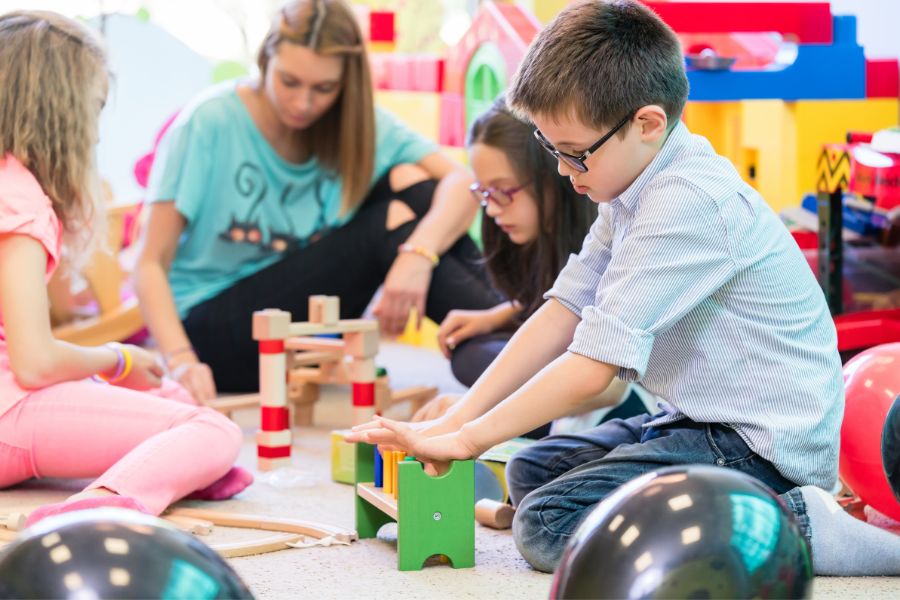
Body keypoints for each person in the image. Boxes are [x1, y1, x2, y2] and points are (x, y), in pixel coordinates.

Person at [348, 0, 900, 576]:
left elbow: (592, 369)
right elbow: (562, 311)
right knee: (533, 471)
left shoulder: (688, 201)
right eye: (551, 148)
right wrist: (457, 421)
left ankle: (798, 522)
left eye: (574, 153)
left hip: (760, 448)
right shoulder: (632, 183)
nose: (563, 170)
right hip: (699, 421)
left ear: (647, 123)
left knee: (547, 524)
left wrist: (466, 442)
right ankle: (735, 508)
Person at [135, 0, 498, 402]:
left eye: (324, 88)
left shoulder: (356, 126)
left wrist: (417, 257)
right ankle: (517, 351)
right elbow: (149, 262)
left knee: (419, 193)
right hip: (212, 337)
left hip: (305, 329)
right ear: (265, 59)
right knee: (385, 225)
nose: (303, 103)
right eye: (289, 82)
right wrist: (181, 358)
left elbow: (463, 181)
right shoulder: (209, 121)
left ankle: (505, 337)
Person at [0, 10, 250, 528]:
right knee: (213, 431)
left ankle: (175, 468)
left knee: (164, 393)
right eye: (93, 111)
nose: (94, 135)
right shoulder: (18, 201)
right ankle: (98, 508)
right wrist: (116, 358)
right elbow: (35, 363)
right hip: (9, 418)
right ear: (59, 114)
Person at [415, 96, 647, 437]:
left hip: (622, 403)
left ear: (552, 175)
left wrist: (472, 415)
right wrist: (501, 314)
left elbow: (606, 382)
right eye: (484, 192)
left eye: (503, 191)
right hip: (583, 387)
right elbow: (561, 307)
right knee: (469, 353)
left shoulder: (612, 231)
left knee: (501, 373)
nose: (492, 209)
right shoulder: (539, 239)